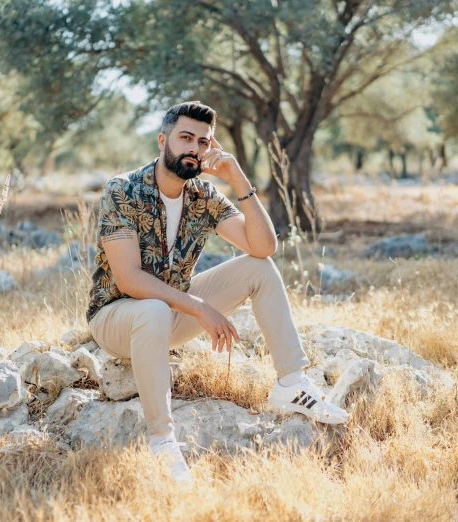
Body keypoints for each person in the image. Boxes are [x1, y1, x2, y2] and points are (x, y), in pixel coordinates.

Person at [86, 101, 348, 482]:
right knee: (153, 310)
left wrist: (238, 179)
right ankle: (161, 439)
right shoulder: (122, 190)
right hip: (116, 319)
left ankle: (290, 383)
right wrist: (198, 307)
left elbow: (264, 247)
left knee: (258, 268)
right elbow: (128, 279)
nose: (194, 148)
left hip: (168, 315)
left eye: (203, 142)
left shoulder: (204, 196)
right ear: (163, 140)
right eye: (185, 137)